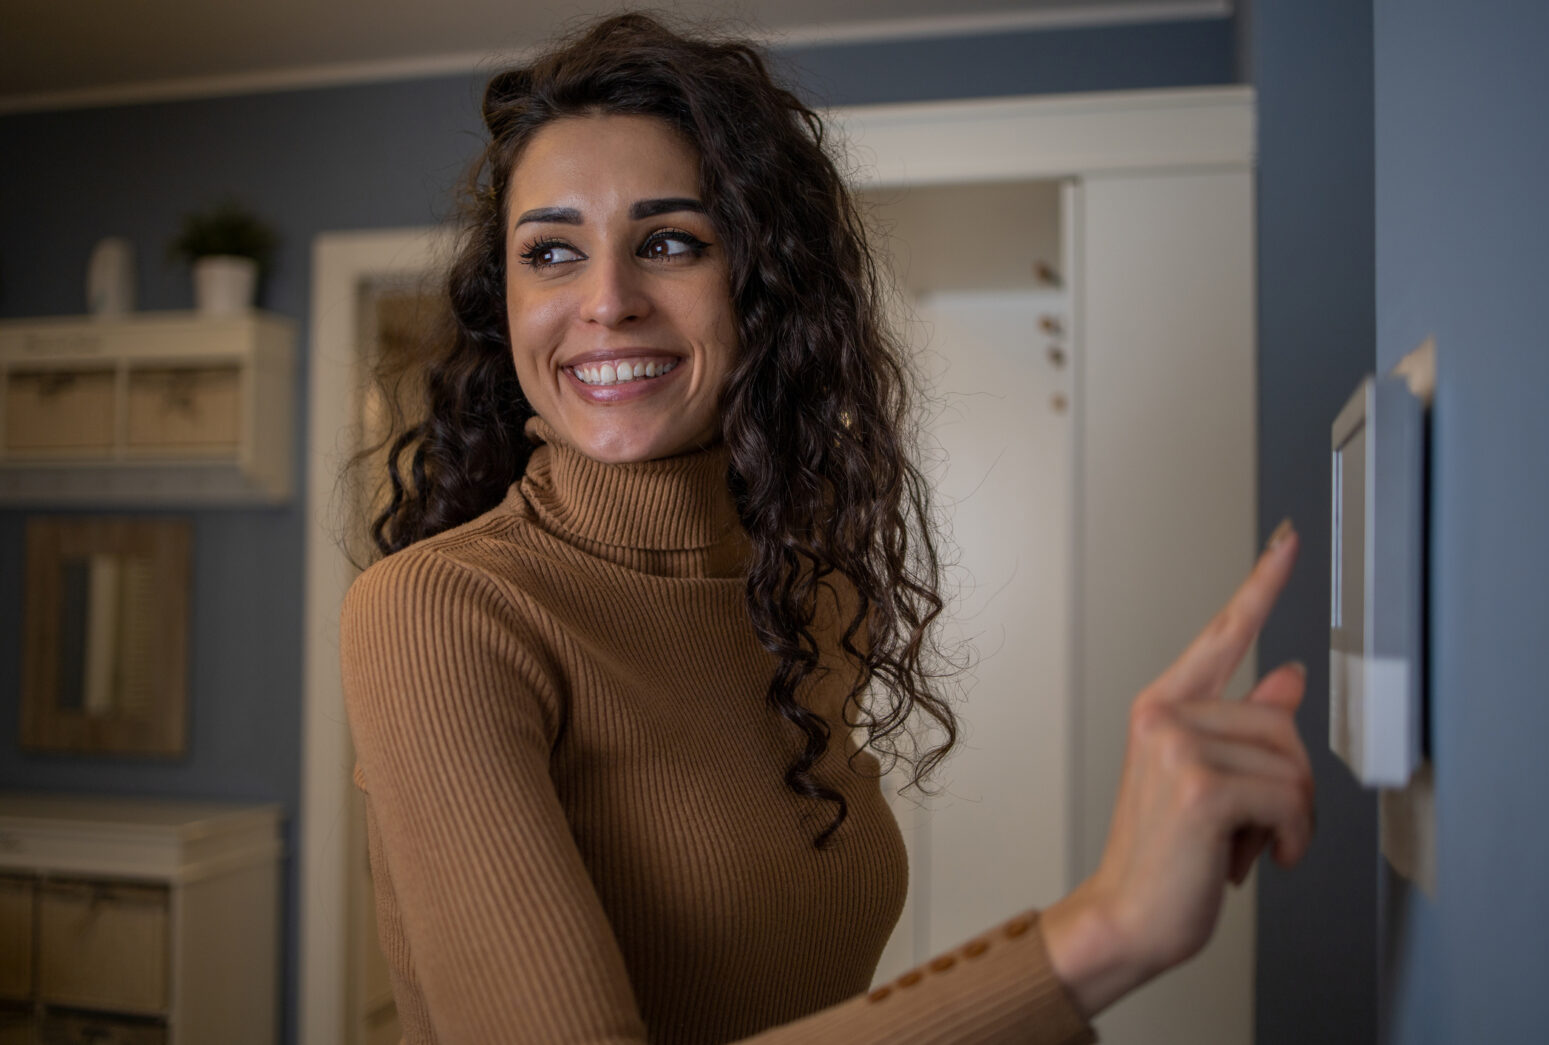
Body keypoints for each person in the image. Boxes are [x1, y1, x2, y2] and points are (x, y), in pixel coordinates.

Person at [340, 13, 1314, 1044]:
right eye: (550, 252)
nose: (607, 300)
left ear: (762, 287)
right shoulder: (438, 613)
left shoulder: (802, 591)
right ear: (507, 301)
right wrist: (1104, 931)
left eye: (669, 241)